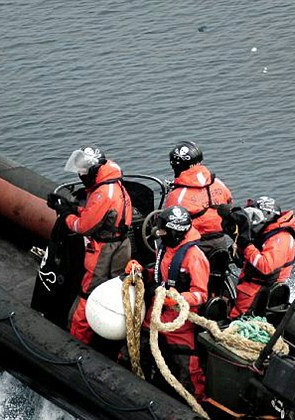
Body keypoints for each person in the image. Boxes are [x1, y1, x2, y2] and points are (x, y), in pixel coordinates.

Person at [47, 145, 133, 346]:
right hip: (121, 244)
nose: (80, 175)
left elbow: (83, 226)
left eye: (83, 171)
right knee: (116, 290)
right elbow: (99, 213)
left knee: (89, 292)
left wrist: (64, 214)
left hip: (104, 250)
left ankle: (78, 342)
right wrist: (74, 208)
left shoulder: (103, 192)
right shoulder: (113, 184)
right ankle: (112, 340)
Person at [141, 205, 209, 400]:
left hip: (180, 322)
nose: (158, 233)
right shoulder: (165, 248)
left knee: (186, 369)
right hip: (156, 313)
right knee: (138, 348)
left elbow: (200, 295)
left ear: (175, 231)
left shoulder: (194, 257)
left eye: (163, 230)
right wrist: (140, 272)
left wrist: (176, 298)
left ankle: (195, 401)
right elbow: (158, 274)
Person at [227, 196, 295, 319]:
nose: (251, 221)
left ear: (268, 215)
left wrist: (247, 246)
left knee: (237, 321)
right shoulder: (267, 232)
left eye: (254, 216)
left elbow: (266, 266)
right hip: (250, 286)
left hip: (259, 292)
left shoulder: (280, 238)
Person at [165, 141, 233, 260]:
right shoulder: (218, 183)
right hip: (220, 241)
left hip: (194, 246)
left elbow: (169, 223)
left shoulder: (177, 196)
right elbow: (230, 204)